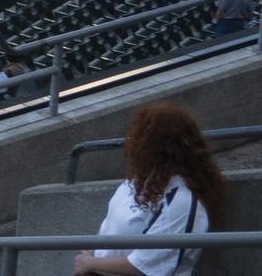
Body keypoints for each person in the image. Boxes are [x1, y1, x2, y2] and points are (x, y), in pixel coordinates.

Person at [74, 103, 224, 276]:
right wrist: (92, 253)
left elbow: (147, 267)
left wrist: (91, 263)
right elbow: (110, 224)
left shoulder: (181, 200)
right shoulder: (139, 181)